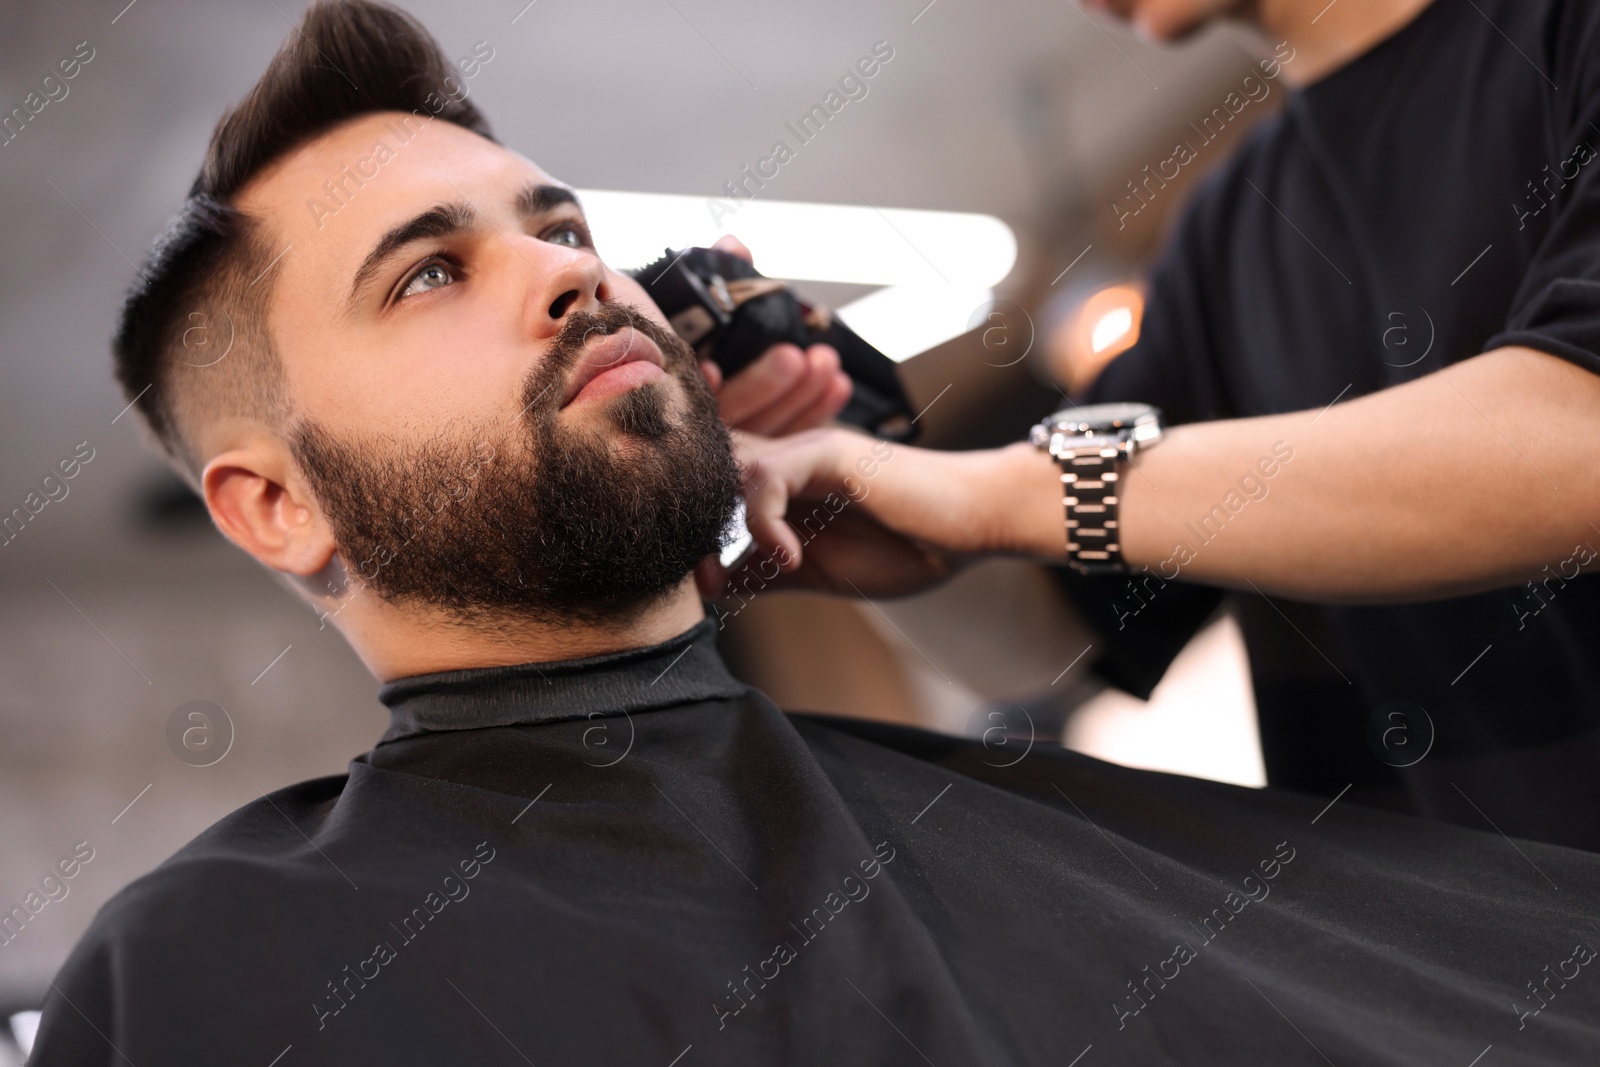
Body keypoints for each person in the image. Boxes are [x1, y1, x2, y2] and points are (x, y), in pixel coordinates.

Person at [31, 3, 1600, 1064]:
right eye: (430, 272)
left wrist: (977, 491)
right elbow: (1076, 628)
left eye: (563, 227)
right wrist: (905, 544)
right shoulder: (224, 964)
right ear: (273, 502)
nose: (574, 275)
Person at [1069, 0, 1600, 851]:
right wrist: (837, 458)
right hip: (1428, 962)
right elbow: (1042, 596)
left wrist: (1025, 490)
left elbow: (1583, 441)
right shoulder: (1222, 236)